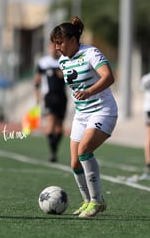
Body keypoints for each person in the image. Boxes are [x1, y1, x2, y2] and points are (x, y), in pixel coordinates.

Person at [50, 16, 118, 218]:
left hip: (103, 110)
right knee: (74, 163)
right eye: (55, 44)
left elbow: (109, 77)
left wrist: (89, 91)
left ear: (72, 40)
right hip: (81, 115)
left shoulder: (91, 53)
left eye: (60, 43)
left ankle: (97, 202)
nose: (57, 48)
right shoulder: (62, 60)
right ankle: (87, 201)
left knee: (84, 150)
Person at [34, 42, 68, 162]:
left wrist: (63, 75)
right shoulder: (44, 62)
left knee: (59, 127)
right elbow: (37, 80)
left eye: (56, 47)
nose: (54, 50)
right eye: (52, 47)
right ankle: (52, 152)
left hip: (62, 96)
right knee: (50, 123)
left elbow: (72, 77)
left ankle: (54, 150)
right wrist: (37, 97)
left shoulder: (64, 61)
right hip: (49, 96)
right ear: (48, 48)